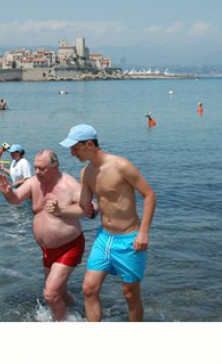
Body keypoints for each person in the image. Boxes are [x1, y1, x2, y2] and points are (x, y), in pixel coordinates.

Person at [60, 124, 157, 322]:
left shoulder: (121, 166)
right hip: (104, 238)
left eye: (75, 148)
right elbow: (86, 206)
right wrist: (83, 207)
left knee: (130, 294)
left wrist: (144, 233)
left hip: (130, 239)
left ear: (89, 144)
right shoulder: (86, 172)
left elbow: (149, 196)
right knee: (89, 289)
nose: (71, 153)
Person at [0, 150, 89, 321]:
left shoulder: (68, 184)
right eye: (35, 167)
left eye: (42, 168)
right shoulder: (33, 182)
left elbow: (89, 208)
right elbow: (16, 199)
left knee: (51, 294)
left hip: (69, 246)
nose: (37, 172)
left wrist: (64, 210)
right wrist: (8, 192)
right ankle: (81, 313)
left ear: (55, 167)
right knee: (60, 292)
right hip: (47, 249)